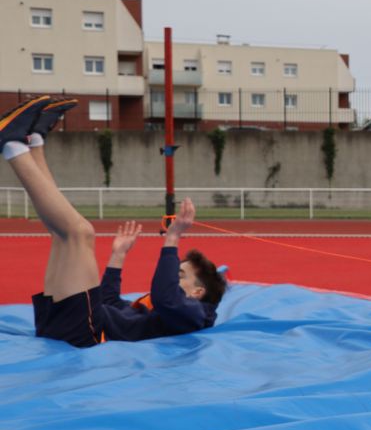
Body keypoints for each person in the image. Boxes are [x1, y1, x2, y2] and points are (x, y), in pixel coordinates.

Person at [1, 95, 225, 347]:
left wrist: (172, 238)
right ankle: (34, 142)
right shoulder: (159, 312)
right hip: (77, 323)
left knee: (81, 232)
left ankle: (11, 145)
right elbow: (110, 302)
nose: (172, 277)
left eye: (180, 274)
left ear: (197, 292)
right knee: (62, 234)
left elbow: (166, 297)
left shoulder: (195, 315)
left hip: (87, 332)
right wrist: (118, 256)